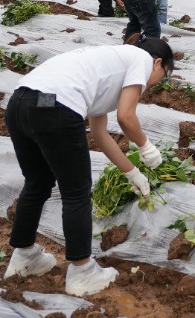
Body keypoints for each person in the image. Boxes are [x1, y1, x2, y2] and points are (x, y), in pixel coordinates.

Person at [4, 38, 174, 296]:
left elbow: (99, 132)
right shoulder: (141, 58)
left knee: (37, 183)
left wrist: (132, 172)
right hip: (57, 107)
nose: (153, 84)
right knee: (76, 191)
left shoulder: (107, 66)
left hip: (21, 103)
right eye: (161, 76)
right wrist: (145, 145)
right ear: (158, 63)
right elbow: (126, 117)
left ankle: (24, 256)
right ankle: (83, 271)